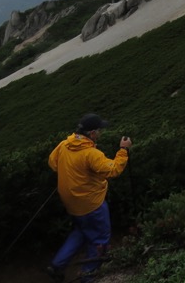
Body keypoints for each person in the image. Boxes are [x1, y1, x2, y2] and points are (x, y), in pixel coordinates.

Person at [47, 113, 132, 283]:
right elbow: (113, 169)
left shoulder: (64, 144)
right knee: (99, 239)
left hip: (72, 204)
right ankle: (87, 277)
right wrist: (123, 150)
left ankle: (57, 265)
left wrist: (71, 172)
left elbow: (52, 162)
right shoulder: (90, 153)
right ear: (92, 133)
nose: (100, 133)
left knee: (80, 232)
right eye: (99, 131)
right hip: (92, 205)